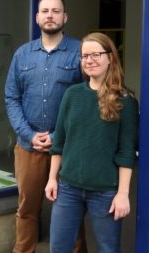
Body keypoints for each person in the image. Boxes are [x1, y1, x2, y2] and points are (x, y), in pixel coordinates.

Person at [5, 0, 84, 253]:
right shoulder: (22, 55)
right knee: (27, 210)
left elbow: (87, 100)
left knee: (70, 210)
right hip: (29, 148)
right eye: (45, 11)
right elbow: (11, 98)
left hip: (68, 148)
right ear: (37, 17)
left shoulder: (79, 53)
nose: (50, 15)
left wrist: (60, 136)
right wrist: (28, 135)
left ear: (65, 17)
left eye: (56, 10)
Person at [45, 32, 138, 253]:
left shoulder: (125, 100)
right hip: (68, 188)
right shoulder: (72, 94)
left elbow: (126, 151)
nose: (89, 60)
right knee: (58, 248)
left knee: (108, 249)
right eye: (85, 56)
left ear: (111, 58)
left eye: (96, 54)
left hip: (105, 191)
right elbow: (59, 142)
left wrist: (123, 193)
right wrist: (52, 179)